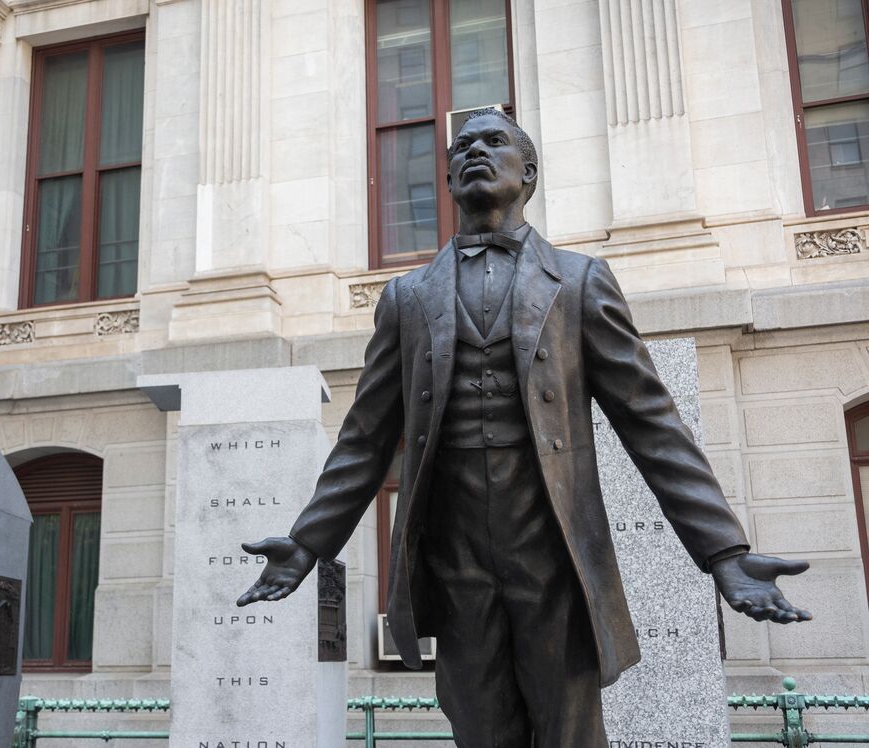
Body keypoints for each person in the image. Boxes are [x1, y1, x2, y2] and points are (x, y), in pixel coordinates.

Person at [237, 108, 811, 747]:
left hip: (553, 548)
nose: (474, 151)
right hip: (453, 553)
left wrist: (724, 553)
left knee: (568, 729)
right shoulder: (407, 297)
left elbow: (652, 422)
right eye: (462, 147)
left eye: (494, 141)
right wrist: (309, 542)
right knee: (479, 729)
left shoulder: (579, 280)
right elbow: (365, 437)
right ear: (450, 178)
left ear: (528, 171)